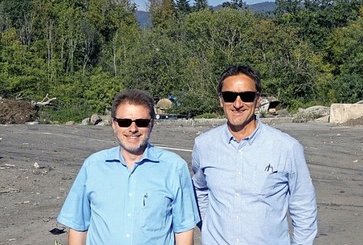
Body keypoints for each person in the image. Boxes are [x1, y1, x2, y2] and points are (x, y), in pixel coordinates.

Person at [192, 65, 318, 244]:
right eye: (229, 96)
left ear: (258, 100)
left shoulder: (287, 148)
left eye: (246, 96)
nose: (237, 104)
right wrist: (209, 227)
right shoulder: (204, 145)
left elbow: (304, 206)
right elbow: (199, 189)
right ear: (220, 100)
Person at [57, 89, 200, 245]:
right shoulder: (93, 166)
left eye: (141, 122)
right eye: (125, 122)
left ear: (152, 124)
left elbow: (183, 230)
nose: (133, 129)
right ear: (114, 124)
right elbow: (78, 226)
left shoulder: (174, 168)